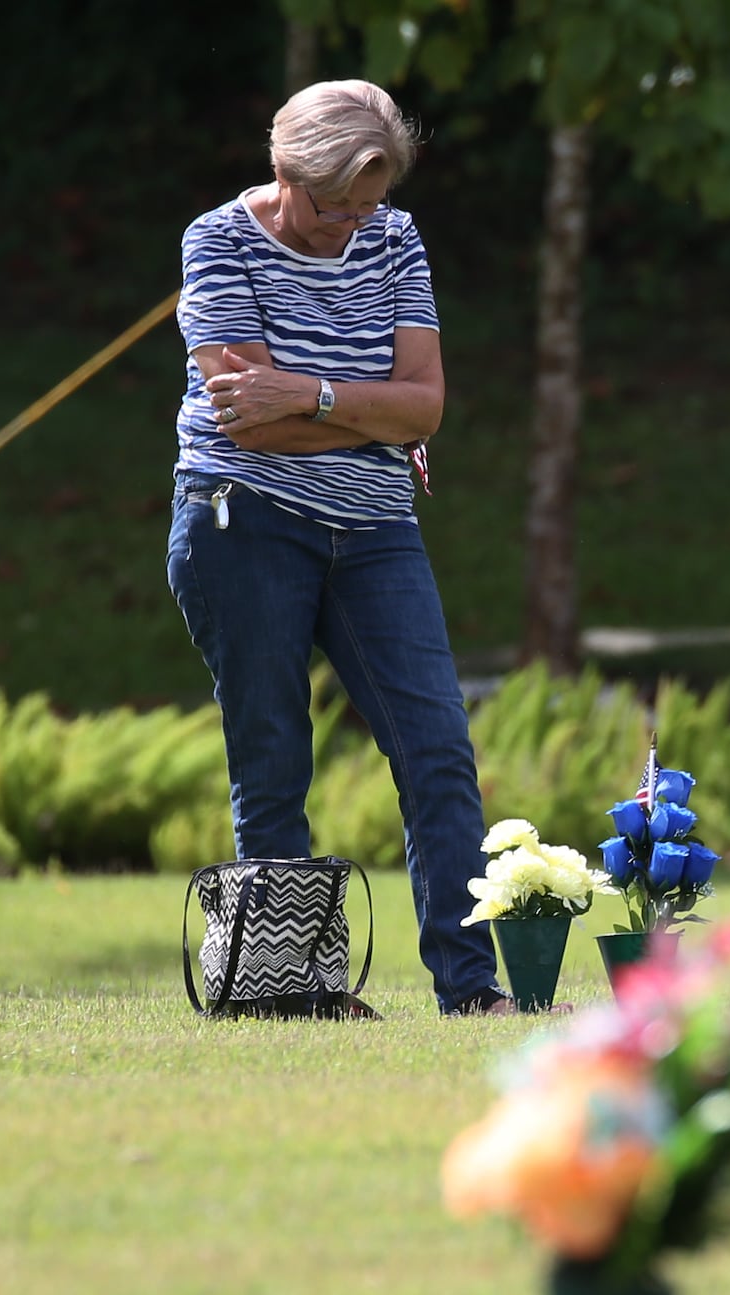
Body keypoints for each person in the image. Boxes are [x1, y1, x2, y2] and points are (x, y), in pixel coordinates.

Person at [166, 80, 510, 1015]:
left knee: (437, 747)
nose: (351, 227)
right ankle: (287, 992)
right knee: (273, 751)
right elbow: (247, 428)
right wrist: (376, 419)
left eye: (368, 204)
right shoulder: (218, 240)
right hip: (243, 522)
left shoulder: (392, 237)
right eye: (336, 207)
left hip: (375, 531)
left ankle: (471, 992)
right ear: (286, 174)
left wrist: (312, 396)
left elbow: (427, 404)